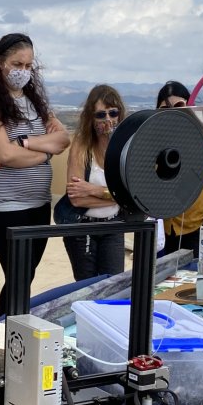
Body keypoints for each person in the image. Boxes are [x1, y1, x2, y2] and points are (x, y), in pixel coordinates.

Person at [0, 33, 69, 316]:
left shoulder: (35, 102)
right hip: (6, 207)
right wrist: (44, 152)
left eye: (28, 66)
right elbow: (4, 154)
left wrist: (27, 143)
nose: (23, 71)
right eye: (17, 64)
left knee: (27, 278)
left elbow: (62, 139)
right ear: (0, 63)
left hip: (39, 204)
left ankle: (17, 330)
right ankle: (7, 331)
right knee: (17, 278)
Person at [61, 84, 127, 280]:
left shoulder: (125, 148)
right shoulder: (82, 146)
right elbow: (76, 198)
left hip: (113, 225)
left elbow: (130, 195)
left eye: (113, 113)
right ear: (91, 117)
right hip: (83, 226)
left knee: (114, 284)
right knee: (86, 287)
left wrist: (93, 190)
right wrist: (116, 195)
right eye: (101, 115)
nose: (108, 119)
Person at [155, 80, 203, 256]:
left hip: (197, 227)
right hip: (164, 230)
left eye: (179, 105)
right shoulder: (151, 143)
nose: (173, 113)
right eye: (165, 108)